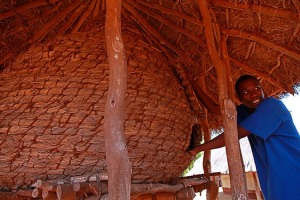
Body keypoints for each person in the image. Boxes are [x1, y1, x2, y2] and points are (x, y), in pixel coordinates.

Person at [188, 75, 300, 200]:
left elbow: (234, 134)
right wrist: (192, 82)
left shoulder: (272, 106)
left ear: (263, 90)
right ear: (239, 97)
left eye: (257, 88)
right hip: (274, 176)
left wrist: (198, 149)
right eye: (246, 92)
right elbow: (214, 108)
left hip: (293, 170)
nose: (253, 95)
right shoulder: (245, 111)